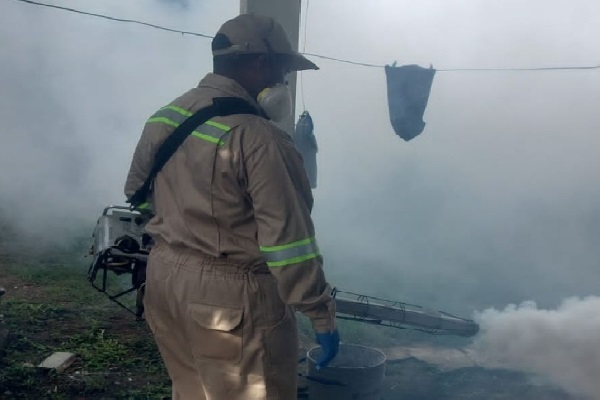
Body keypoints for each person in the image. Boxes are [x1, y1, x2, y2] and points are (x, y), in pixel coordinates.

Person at [124, 13, 339, 400]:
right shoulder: (258, 138)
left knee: (193, 391)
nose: (283, 81)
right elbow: (288, 242)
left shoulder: (168, 115)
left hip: (164, 281)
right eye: (282, 68)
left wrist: (187, 221)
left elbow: (136, 193)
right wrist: (321, 314)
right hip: (231, 301)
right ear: (259, 61)